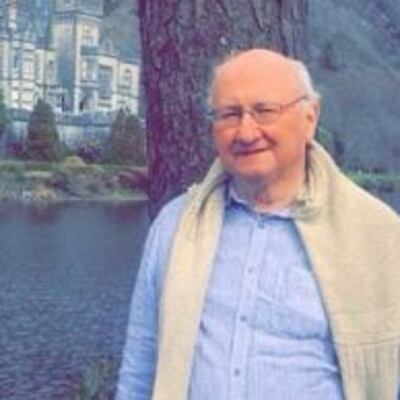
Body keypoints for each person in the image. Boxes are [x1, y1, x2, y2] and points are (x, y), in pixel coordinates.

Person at [116, 49, 400, 400]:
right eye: (230, 114)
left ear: (310, 117)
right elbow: (140, 370)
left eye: (265, 111)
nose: (246, 132)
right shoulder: (175, 226)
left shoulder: (380, 237)